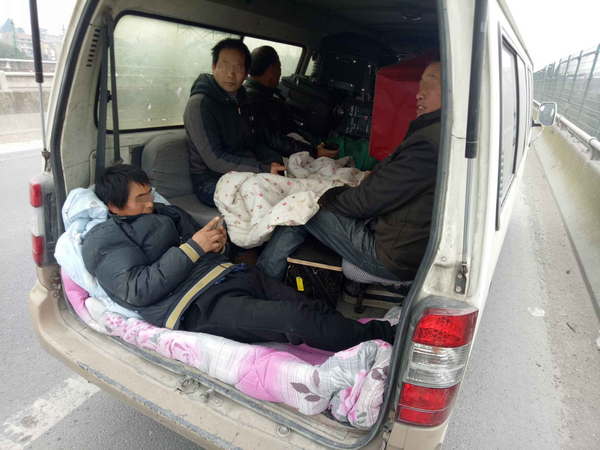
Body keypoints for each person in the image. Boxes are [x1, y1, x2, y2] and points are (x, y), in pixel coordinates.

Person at [81, 165, 395, 352]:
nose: (150, 203)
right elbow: (136, 289)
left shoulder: (167, 212)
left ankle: (357, 338)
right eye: (140, 199)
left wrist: (217, 245)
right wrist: (194, 248)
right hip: (196, 304)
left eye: (150, 193)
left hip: (230, 274)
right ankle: (385, 336)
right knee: (295, 320)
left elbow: (202, 247)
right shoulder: (104, 238)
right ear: (114, 206)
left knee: (311, 306)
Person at [257, 60, 443, 282]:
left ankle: (261, 281)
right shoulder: (438, 135)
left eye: (431, 85)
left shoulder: (427, 145)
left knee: (299, 208)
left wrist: (328, 197)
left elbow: (369, 199)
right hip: (400, 240)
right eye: (421, 85)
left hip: (391, 256)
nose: (419, 94)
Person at [184, 39, 286, 208]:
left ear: (246, 73)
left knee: (288, 189)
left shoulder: (243, 101)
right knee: (270, 201)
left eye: (238, 68)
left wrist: (273, 161)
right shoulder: (199, 105)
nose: (230, 74)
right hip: (212, 181)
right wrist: (263, 169)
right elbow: (214, 158)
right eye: (224, 66)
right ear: (213, 67)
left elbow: (255, 142)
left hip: (247, 174)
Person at [245, 46, 339, 160]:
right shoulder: (254, 99)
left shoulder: (262, 93)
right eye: (279, 66)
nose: (280, 72)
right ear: (271, 70)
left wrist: (314, 146)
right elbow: (275, 141)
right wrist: (315, 152)